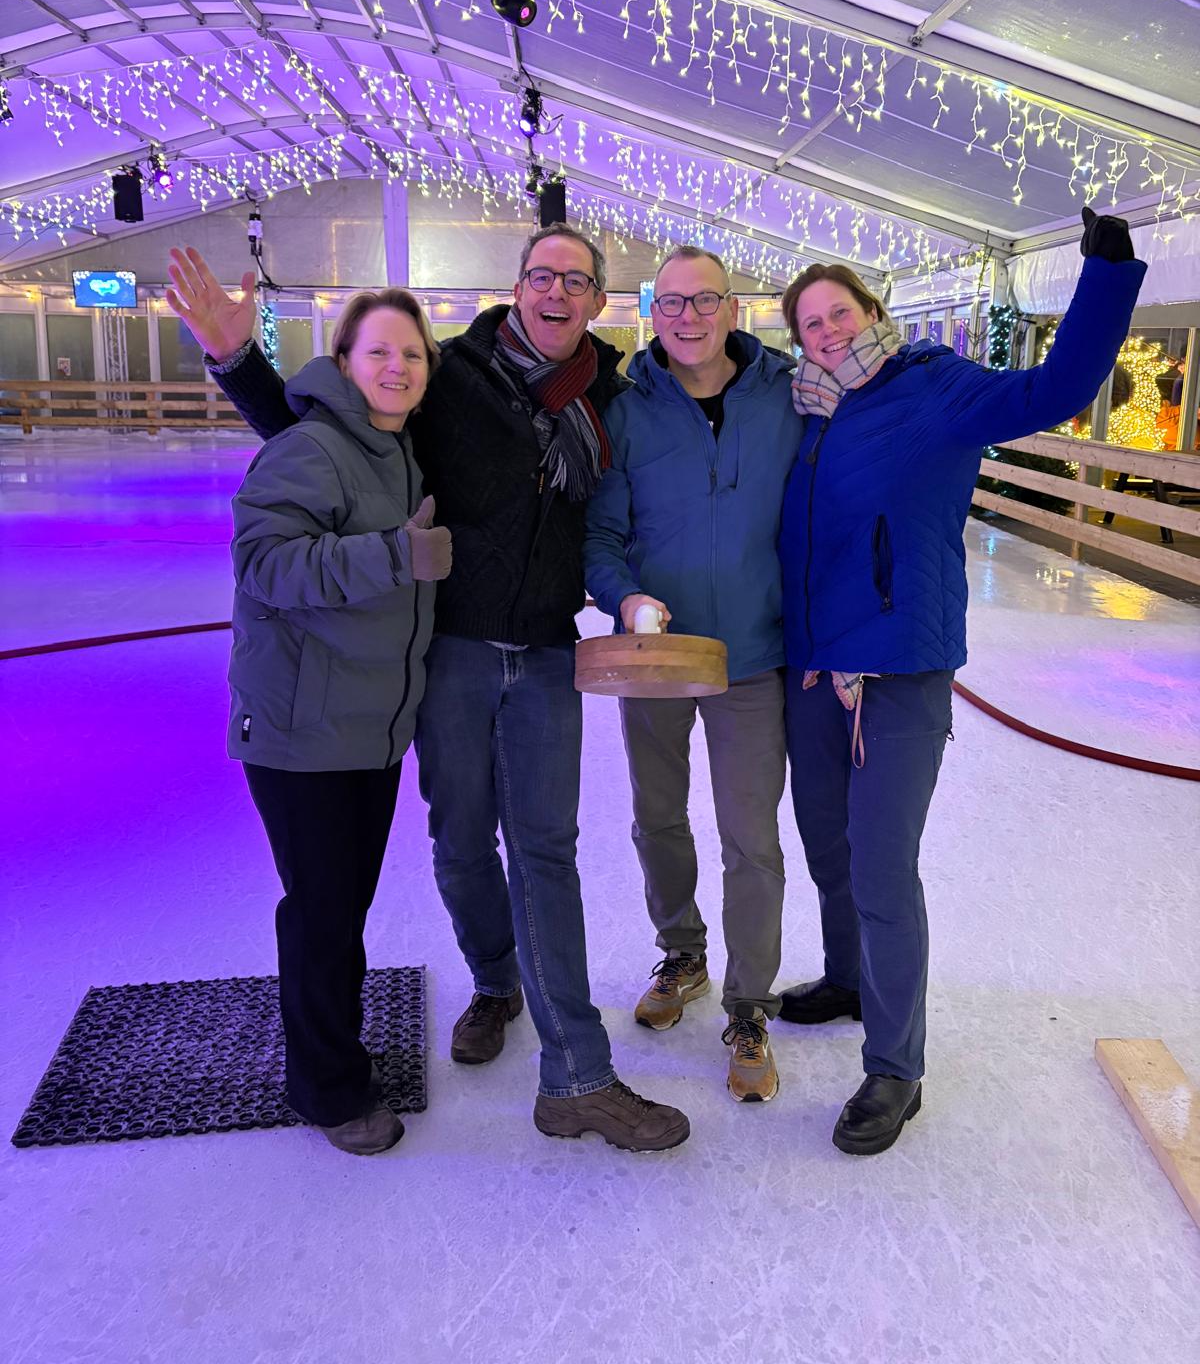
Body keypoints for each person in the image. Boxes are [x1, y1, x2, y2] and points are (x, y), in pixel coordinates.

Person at [165, 228, 689, 1153]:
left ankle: (577, 1076)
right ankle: (494, 981)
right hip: (451, 652)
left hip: (545, 653)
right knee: (459, 845)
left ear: (598, 301)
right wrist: (237, 361)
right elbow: (327, 438)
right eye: (542, 275)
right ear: (516, 287)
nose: (557, 292)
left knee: (547, 854)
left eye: (577, 280)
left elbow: (651, 479)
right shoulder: (451, 374)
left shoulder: (611, 396)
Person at [775, 207, 1146, 1155]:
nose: (829, 331)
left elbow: (1056, 388)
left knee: (881, 862)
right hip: (814, 666)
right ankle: (848, 978)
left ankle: (895, 1067)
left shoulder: (936, 386)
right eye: (811, 322)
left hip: (900, 668)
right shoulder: (806, 410)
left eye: (841, 312)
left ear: (873, 311)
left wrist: (1106, 280)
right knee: (827, 843)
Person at [199, 282, 453, 1155]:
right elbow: (264, 562)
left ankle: (332, 1052)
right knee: (322, 912)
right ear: (343, 362)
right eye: (378, 350)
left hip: (366, 726)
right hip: (302, 728)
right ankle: (329, 1090)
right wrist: (394, 555)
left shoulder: (397, 447)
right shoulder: (311, 447)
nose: (397, 366)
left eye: (412, 354)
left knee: (342, 906)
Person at [585, 246, 802, 1102]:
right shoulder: (627, 410)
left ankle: (748, 1005)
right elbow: (601, 536)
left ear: (733, 310)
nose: (687, 317)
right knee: (657, 816)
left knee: (751, 837)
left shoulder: (785, 395)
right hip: (657, 655)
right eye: (670, 302)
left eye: (704, 300)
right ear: (652, 313)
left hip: (753, 652)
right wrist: (627, 596)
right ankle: (682, 952)